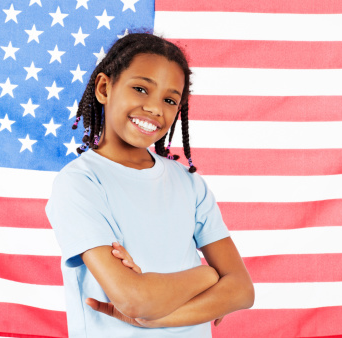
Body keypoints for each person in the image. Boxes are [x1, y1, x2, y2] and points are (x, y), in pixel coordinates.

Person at [45, 33, 254, 338]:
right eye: (141, 88)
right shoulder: (80, 182)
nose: (155, 108)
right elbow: (133, 299)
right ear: (105, 88)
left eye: (170, 100)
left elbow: (242, 290)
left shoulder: (188, 182)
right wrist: (207, 275)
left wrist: (157, 318)